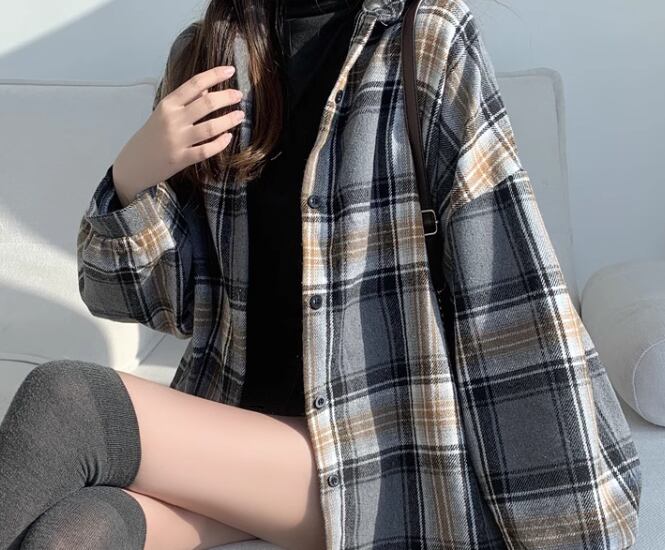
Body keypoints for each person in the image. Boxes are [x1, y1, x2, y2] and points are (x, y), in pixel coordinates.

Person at [0, 0, 642, 549]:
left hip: (374, 455)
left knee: (67, 402)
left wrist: (568, 522)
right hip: (242, 436)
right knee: (75, 531)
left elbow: (505, 289)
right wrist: (133, 176)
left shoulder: (425, 40)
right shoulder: (212, 55)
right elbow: (155, 304)